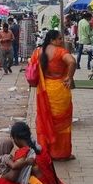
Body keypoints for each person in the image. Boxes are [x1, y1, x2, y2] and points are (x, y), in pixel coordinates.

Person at [29, 29, 76, 160]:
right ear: (52, 40)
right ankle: (61, 153)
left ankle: (46, 152)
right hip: (59, 91)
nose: (62, 41)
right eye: (60, 38)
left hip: (44, 90)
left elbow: (31, 68)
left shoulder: (38, 52)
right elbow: (72, 62)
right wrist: (70, 77)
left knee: (45, 121)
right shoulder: (61, 52)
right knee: (62, 124)